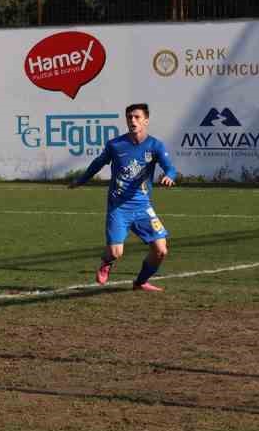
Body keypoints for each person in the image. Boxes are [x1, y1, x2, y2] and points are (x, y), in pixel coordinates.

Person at [68, 102, 178, 292]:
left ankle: (140, 282)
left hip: (143, 207)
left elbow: (170, 167)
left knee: (161, 250)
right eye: (129, 117)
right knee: (116, 252)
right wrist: (82, 180)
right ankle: (106, 262)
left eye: (137, 117)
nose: (132, 120)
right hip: (118, 207)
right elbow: (97, 163)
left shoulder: (155, 146)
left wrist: (170, 176)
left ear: (146, 121)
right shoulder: (116, 145)